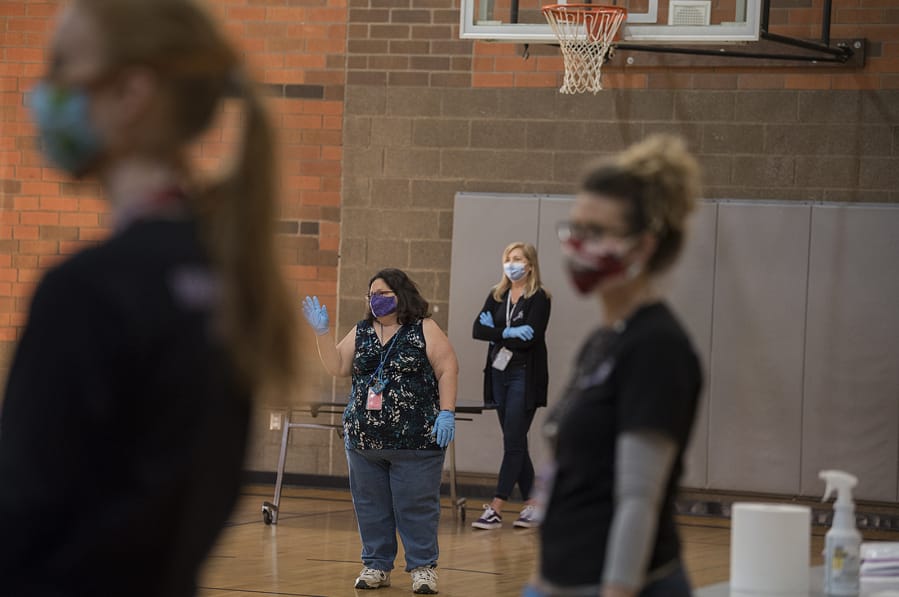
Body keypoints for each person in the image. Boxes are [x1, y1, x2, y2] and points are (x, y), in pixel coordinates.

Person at [0, 1, 300, 595]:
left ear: (131, 92)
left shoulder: (88, 290)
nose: (44, 93)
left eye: (63, 66)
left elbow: (22, 517)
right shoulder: (232, 277)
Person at [529, 135, 703, 597]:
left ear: (642, 247)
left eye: (597, 232)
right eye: (576, 228)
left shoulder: (657, 347)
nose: (579, 246)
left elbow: (638, 500)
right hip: (564, 578)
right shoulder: (602, 341)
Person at [302, 268, 458, 595]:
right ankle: (376, 564)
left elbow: (447, 368)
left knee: (417, 506)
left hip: (416, 440)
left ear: (402, 295)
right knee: (370, 506)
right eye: (372, 294)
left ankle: (423, 569)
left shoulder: (424, 328)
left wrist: (446, 412)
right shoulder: (361, 331)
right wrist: (322, 334)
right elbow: (337, 366)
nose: (377, 300)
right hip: (364, 442)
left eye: (384, 293)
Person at [471, 242, 551, 530]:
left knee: (513, 441)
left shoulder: (539, 298)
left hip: (524, 375)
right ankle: (533, 505)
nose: (511, 264)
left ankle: (496, 506)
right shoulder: (498, 295)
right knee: (515, 441)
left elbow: (530, 338)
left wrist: (496, 333)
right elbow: (477, 330)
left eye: (517, 259)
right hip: (498, 373)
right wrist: (506, 332)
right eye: (508, 259)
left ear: (530, 265)